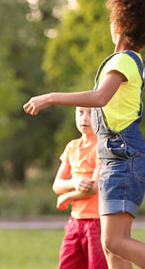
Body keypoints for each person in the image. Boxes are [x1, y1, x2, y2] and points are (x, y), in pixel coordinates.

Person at [24, 0, 145, 269]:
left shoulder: (123, 61)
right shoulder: (133, 63)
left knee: (114, 242)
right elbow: (126, 102)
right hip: (120, 156)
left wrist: (50, 97)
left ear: (118, 25)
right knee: (112, 247)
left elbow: (100, 98)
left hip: (123, 158)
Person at [53, 106, 107, 269]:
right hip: (75, 222)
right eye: (80, 112)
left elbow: (94, 187)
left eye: (91, 113)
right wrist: (74, 182)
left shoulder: (102, 146)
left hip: (97, 222)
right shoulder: (72, 147)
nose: (84, 118)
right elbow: (57, 185)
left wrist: (67, 196)